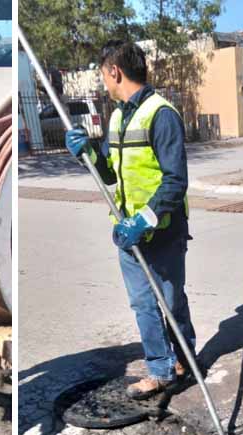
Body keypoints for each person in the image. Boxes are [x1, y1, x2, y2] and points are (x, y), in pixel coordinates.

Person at [63, 41, 195, 399]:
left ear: (114, 71)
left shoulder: (161, 114)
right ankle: (160, 370)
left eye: (102, 74)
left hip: (162, 232)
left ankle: (186, 359)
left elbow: (175, 181)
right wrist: (87, 153)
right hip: (127, 233)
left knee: (170, 303)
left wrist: (145, 220)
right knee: (142, 304)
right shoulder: (118, 116)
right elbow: (109, 174)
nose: (103, 82)